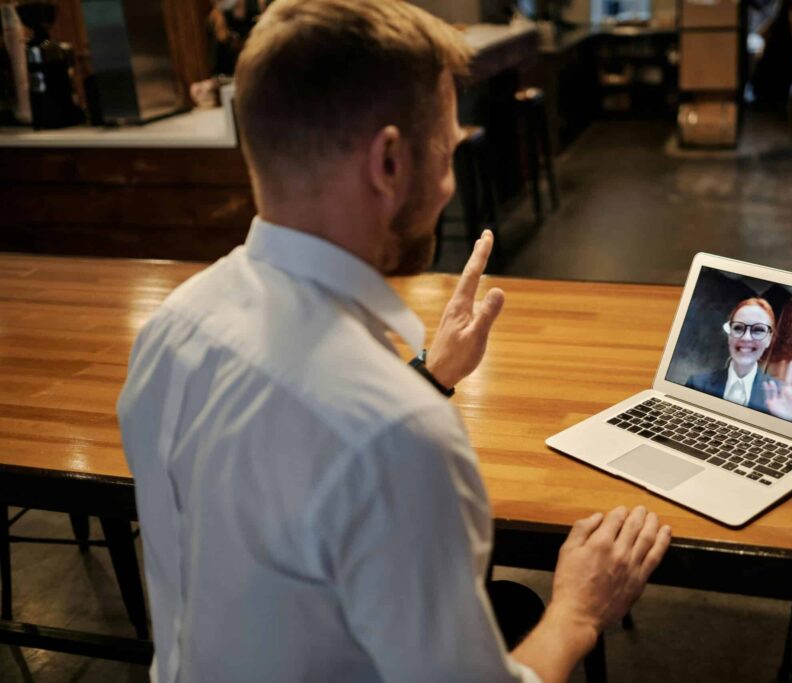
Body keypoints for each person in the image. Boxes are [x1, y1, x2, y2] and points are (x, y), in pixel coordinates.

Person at [117, 2, 671, 682]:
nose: (447, 185)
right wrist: (578, 611)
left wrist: (428, 376)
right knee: (528, 607)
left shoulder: (173, 328)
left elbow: (283, 511)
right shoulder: (399, 436)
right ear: (388, 161)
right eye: (446, 150)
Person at [685, 298, 792, 425]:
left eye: (758, 330)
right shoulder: (696, 384)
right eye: (738, 328)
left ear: (768, 339)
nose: (747, 338)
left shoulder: (781, 396)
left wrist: (791, 425)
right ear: (729, 335)